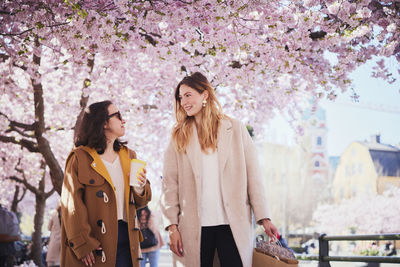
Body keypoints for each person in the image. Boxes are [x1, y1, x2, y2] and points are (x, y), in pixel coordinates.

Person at [160, 72, 278, 267]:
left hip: (233, 225)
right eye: (180, 97)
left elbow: (253, 176)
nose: (183, 102)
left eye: (188, 95)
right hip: (193, 227)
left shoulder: (235, 129)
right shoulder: (178, 136)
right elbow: (169, 185)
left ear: (205, 95)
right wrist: (172, 227)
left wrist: (264, 217)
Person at [60, 100, 152, 267]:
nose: (123, 120)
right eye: (118, 116)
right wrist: (83, 243)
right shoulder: (79, 158)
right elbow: (71, 204)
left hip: (127, 241)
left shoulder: (129, 156)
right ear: (103, 123)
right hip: (95, 243)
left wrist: (140, 186)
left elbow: (141, 202)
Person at [46, 203, 62, 267]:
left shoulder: (53, 213)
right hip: (65, 241)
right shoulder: (68, 213)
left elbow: (49, 227)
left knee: (52, 261)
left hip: (55, 240)